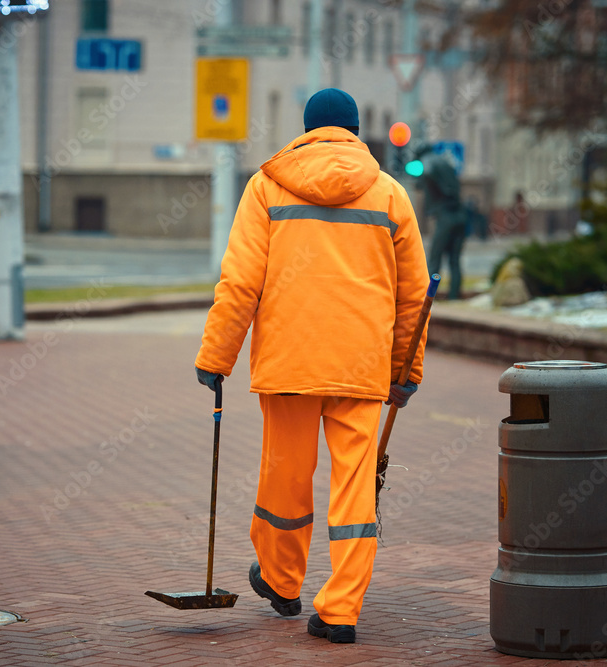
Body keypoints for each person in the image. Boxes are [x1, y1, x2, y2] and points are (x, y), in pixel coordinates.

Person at [194, 88, 430, 644]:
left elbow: (241, 281)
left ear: (305, 129)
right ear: (354, 131)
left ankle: (281, 580)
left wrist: (216, 354)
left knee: (286, 476)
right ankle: (341, 610)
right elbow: (415, 297)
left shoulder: (267, 187)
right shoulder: (390, 194)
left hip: (290, 363)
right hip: (361, 368)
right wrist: (406, 371)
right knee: (356, 489)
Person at [416, 147, 467, 298]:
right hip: (460, 215)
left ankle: (429, 296)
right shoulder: (446, 162)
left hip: (445, 215)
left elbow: (428, 172)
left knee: (434, 257)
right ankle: (453, 295)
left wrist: (437, 189)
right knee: (454, 260)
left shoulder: (429, 160)